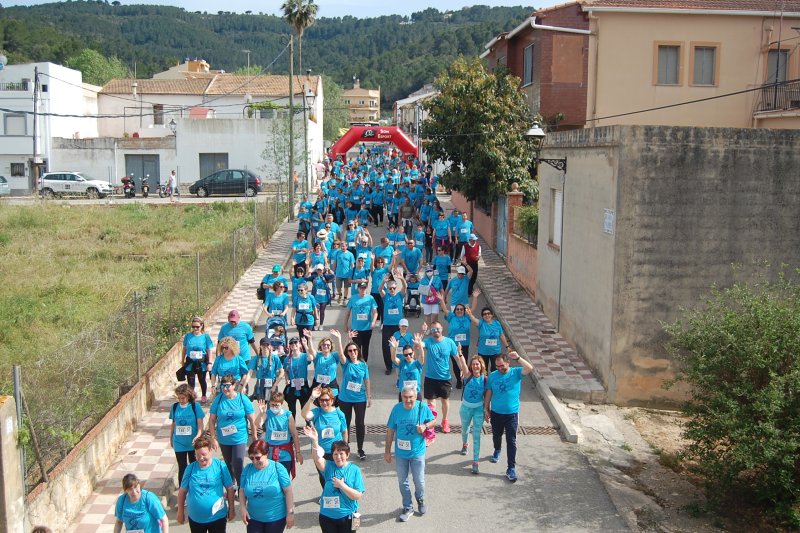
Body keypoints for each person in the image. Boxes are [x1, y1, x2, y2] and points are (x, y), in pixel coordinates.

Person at [384, 384, 435, 523]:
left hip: (417, 452)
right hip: (401, 453)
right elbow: (390, 431)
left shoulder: (421, 407)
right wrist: (387, 451)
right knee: (402, 481)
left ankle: (420, 498)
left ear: (415, 396)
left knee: (419, 481)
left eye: (411, 397)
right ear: (401, 397)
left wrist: (425, 426)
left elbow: (433, 421)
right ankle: (408, 507)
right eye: (405, 397)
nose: (408, 400)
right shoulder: (396, 409)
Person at [303, 426, 365, 533]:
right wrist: (314, 441)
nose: (338, 457)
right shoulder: (329, 466)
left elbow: (358, 496)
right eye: (335, 454)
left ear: (347, 455)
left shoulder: (355, 470)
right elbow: (317, 458)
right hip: (327, 517)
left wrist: (342, 486)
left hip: (349, 516)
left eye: (341, 454)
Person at [485, 351, 534, 482]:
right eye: (498, 366)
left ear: (508, 363)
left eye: (502, 366)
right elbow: (489, 392)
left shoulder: (516, 373)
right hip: (496, 413)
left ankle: (511, 468)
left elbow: (529, 368)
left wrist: (518, 358)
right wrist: (486, 408)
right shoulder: (493, 376)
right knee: (496, 435)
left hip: (512, 414)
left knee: (511, 440)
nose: (500, 369)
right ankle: (497, 449)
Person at [207, 374, 258, 489]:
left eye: (228, 386)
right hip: (224, 439)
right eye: (223, 386)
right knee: (228, 464)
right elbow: (212, 420)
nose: (225, 388)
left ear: (234, 385)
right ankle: (231, 488)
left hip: (239, 437)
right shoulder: (219, 399)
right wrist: (213, 438)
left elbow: (252, 419)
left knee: (238, 463)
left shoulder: (242, 398)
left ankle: (242, 487)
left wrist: (254, 435)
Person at [177, 435, 236, 532]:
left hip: (218, 517)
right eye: (197, 455)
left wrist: (232, 509)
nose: (201, 458)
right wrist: (180, 512)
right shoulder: (190, 468)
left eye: (204, 454)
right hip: (196, 519)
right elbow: (182, 491)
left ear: (211, 451)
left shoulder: (220, 466)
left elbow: (229, 488)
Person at [331, 329, 371, 461]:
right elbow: (341, 354)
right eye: (350, 351)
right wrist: (339, 339)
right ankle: (345, 448)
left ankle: (360, 449)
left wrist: (369, 397)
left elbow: (366, 380)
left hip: (360, 398)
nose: (353, 353)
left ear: (358, 351)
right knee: (345, 423)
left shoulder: (363, 365)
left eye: (355, 350)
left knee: (360, 423)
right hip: (345, 399)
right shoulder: (346, 364)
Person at [239, 440, 295, 532]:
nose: (254, 462)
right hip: (253, 518)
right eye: (251, 458)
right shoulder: (247, 469)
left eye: (257, 458)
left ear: (266, 454)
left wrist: (290, 513)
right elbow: (242, 490)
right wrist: (243, 508)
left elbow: (288, 491)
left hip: (275, 519)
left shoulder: (278, 468)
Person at [300, 386, 348, 487]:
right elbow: (304, 415)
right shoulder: (317, 412)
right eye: (321, 400)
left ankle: (338, 496)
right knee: (324, 477)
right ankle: (326, 496)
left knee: (337, 476)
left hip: (336, 451)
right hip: (320, 451)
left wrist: (345, 448)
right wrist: (312, 397)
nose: (324, 403)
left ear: (332, 400)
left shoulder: (339, 414)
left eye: (326, 400)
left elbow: (344, 431)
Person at [422, 322, 463, 434]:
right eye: (433, 330)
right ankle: (431, 423)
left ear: (442, 329)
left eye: (437, 329)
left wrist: (462, 369)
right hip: (430, 377)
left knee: (445, 400)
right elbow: (418, 344)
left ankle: (445, 420)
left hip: (445, 378)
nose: (436, 331)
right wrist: (422, 333)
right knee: (431, 403)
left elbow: (456, 358)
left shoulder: (449, 342)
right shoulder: (428, 341)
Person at [258, 391, 303, 479]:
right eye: (272, 405)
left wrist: (298, 452)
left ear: (281, 404)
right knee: (271, 479)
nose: (274, 407)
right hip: (270, 453)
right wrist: (261, 413)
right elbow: (257, 425)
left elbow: (294, 435)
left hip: (285, 453)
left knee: (284, 479)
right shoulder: (267, 413)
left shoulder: (288, 415)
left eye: (277, 405)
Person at [466, 288, 509, 373]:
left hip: (495, 352)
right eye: (484, 314)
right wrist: (474, 297)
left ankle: (492, 385)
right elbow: (473, 318)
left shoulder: (497, 323)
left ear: (492, 315)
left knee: (495, 370)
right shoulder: (481, 323)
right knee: (483, 370)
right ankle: (484, 384)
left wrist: (507, 346)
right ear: (482, 316)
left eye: (488, 313)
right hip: (483, 352)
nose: (487, 315)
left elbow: (501, 335)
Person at [170, 384, 205, 485]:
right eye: (179, 398)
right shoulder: (175, 407)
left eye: (183, 398)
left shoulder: (195, 407)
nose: (181, 400)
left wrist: (197, 437)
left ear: (189, 396)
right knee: (182, 467)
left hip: (193, 443)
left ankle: (195, 486)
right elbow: (173, 424)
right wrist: (170, 438)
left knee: (194, 465)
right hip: (179, 442)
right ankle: (183, 489)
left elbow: (200, 426)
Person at [459, 355, 488, 474]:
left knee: (477, 435)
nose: (475, 366)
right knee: (465, 429)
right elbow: (463, 365)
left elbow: (487, 395)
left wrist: (487, 410)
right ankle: (465, 444)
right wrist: (460, 354)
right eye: (473, 364)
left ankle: (475, 461)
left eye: (477, 364)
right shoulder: (468, 375)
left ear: (481, 365)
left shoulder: (485, 379)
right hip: (466, 408)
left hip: (478, 410)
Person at [379, 269, 407, 375]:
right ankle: (389, 366)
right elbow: (379, 289)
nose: (392, 290)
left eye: (394, 288)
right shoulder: (386, 297)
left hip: (398, 326)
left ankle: (399, 363)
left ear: (396, 288)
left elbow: (405, 287)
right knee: (386, 346)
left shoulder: (400, 295)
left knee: (400, 345)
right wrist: (384, 281)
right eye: (390, 288)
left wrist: (401, 278)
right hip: (387, 326)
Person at [343, 281, 378, 362]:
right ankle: (357, 363)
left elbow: (375, 312)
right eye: (361, 288)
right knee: (356, 348)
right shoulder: (353, 298)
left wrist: (373, 322)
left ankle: (364, 363)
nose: (363, 290)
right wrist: (345, 324)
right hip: (356, 329)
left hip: (367, 328)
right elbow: (347, 312)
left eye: (364, 288)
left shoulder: (370, 298)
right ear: (358, 289)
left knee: (365, 347)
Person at [182, 316, 214, 404]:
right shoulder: (188, 336)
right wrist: (182, 361)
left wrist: (210, 363)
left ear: (201, 326)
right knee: (191, 381)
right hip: (190, 363)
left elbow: (209, 350)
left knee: (202, 380)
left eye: (197, 327)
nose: (195, 328)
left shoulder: (205, 337)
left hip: (201, 363)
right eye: (193, 327)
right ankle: (192, 397)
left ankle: (203, 395)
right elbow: (184, 349)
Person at [440, 301, 471, 389]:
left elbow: (473, 309)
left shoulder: (467, 317)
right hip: (453, 345)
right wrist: (442, 299)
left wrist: (475, 297)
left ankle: (465, 378)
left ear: (464, 311)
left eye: (461, 309)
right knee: (455, 363)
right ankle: (459, 380)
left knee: (464, 362)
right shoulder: (451, 317)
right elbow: (445, 309)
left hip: (465, 344)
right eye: (457, 309)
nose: (459, 310)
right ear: (455, 310)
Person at [243, 337, 284, 403]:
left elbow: (282, 372)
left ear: (270, 346)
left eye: (267, 345)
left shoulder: (275, 358)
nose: (265, 347)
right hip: (260, 386)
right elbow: (250, 373)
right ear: (260, 346)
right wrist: (244, 385)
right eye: (263, 345)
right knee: (262, 406)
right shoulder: (256, 358)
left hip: (271, 385)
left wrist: (275, 385)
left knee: (272, 405)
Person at [282, 337, 314, 420]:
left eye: (296, 342)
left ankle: (309, 427)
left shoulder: (304, 356)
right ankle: (293, 429)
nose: (294, 345)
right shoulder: (287, 359)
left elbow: (311, 358)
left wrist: (305, 345)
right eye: (291, 343)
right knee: (292, 410)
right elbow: (285, 370)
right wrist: (286, 378)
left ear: (299, 344)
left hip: (303, 386)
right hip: (292, 386)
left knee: (305, 408)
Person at [389, 335, 425, 402]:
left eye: (410, 354)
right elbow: (393, 359)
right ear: (403, 355)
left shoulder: (417, 363)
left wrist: (419, 345)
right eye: (405, 355)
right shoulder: (402, 363)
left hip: (415, 394)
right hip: (404, 394)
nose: (408, 356)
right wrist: (394, 349)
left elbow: (422, 356)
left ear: (413, 353)